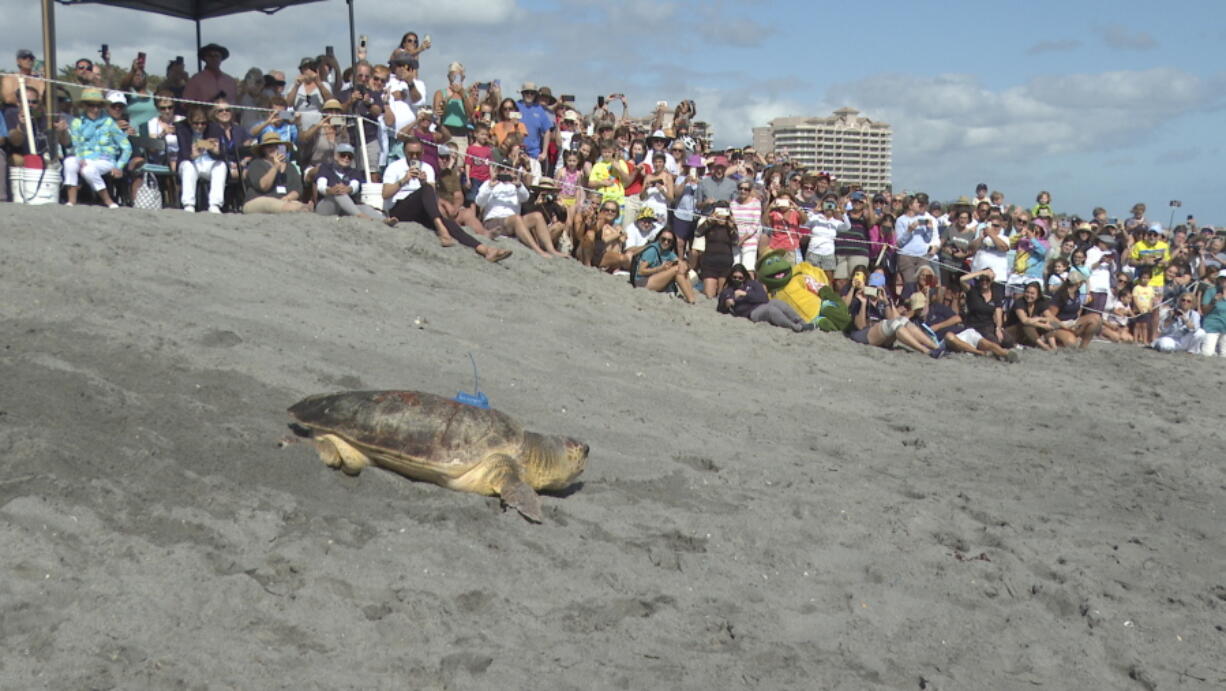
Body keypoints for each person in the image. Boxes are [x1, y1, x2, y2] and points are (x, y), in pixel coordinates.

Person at [382, 138, 511, 262]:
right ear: (405, 152)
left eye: (417, 154)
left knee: (451, 224)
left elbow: (431, 195)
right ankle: (441, 229)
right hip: (400, 208)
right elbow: (385, 194)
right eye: (411, 154)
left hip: (420, 209)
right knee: (437, 212)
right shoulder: (395, 167)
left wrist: (423, 182)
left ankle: (484, 250)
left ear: (422, 153)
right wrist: (404, 180)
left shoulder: (427, 168)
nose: (414, 157)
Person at [62, 89, 131, 208]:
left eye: (98, 106)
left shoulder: (109, 123)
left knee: (88, 170)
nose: (95, 109)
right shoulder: (77, 122)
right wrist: (81, 157)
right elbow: (76, 143)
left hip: (105, 159)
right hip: (84, 156)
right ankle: (71, 201)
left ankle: (108, 201)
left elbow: (127, 147)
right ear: (84, 106)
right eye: (91, 105)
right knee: (69, 162)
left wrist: (119, 166)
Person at [474, 167, 563, 258]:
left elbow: (525, 198)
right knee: (516, 218)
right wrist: (490, 186)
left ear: (512, 171)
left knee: (537, 216)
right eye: (501, 169)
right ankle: (538, 250)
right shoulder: (488, 184)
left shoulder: (516, 186)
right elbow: (479, 202)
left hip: (513, 221)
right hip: (493, 220)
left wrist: (519, 185)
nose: (505, 171)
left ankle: (551, 249)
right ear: (497, 171)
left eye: (508, 169)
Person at [717, 264, 813, 332]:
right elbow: (720, 307)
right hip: (751, 313)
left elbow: (763, 298)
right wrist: (726, 305)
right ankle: (795, 327)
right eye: (734, 277)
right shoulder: (728, 290)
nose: (737, 280)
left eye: (740, 278)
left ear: (745, 277)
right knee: (771, 310)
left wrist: (745, 295)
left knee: (778, 303)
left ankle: (802, 322)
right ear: (731, 277)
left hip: (762, 303)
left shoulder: (753, 284)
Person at [951, 269, 1017, 360]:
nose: (984, 282)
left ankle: (1002, 351)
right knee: (993, 342)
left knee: (1008, 340)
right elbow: (962, 279)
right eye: (982, 280)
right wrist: (981, 272)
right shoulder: (972, 291)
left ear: (991, 281)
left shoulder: (995, 294)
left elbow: (998, 313)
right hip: (976, 325)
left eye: (987, 280)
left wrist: (998, 328)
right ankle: (1003, 354)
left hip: (990, 324)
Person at [241, 131, 309, 214]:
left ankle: (299, 208)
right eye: (269, 146)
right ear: (263, 149)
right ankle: (296, 208)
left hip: (283, 201)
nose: (273, 148)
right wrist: (276, 166)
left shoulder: (290, 166)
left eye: (277, 146)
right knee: (269, 202)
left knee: (295, 204)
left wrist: (287, 198)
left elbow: (297, 189)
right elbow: (263, 186)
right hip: (258, 200)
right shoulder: (256, 164)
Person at [175, 106, 226, 213]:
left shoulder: (215, 128)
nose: (200, 126)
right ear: (189, 121)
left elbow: (222, 154)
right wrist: (193, 155)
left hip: (208, 162)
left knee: (221, 165)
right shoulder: (182, 128)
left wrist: (216, 152)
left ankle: (215, 204)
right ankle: (188, 204)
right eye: (196, 123)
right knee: (188, 166)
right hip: (190, 163)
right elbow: (183, 153)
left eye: (203, 123)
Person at [313, 143, 380, 219]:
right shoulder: (325, 168)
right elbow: (321, 186)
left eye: (350, 156)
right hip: (326, 206)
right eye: (343, 155)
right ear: (336, 156)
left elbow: (355, 185)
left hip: (346, 209)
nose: (346, 158)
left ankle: (384, 219)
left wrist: (348, 189)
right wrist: (330, 190)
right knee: (339, 192)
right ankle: (359, 215)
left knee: (365, 208)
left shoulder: (354, 172)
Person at [632, 230, 697, 303]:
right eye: (663, 239)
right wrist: (660, 269)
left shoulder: (667, 252)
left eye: (669, 241)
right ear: (659, 238)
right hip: (642, 282)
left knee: (682, 269)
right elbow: (641, 271)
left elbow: (680, 262)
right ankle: (691, 299)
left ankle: (691, 297)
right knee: (676, 269)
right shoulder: (652, 250)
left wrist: (684, 266)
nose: (666, 242)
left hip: (653, 279)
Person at [695, 203, 739, 298]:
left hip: (725, 265)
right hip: (709, 264)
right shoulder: (710, 224)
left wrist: (732, 226)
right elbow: (697, 233)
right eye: (720, 213)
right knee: (709, 295)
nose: (722, 216)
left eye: (725, 213)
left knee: (721, 294)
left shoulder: (730, 226)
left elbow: (736, 242)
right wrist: (709, 221)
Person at [432, 62, 475, 156]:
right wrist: (449, 96)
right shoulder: (440, 93)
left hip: (461, 135)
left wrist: (462, 93)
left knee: (460, 163)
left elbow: (470, 113)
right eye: (453, 76)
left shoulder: (467, 96)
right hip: (445, 134)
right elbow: (437, 113)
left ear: (463, 78)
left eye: (458, 76)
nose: (455, 78)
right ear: (448, 77)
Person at [1008, 282, 1061, 350]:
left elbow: (1050, 318)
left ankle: (1054, 346)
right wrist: (1042, 324)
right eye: (1027, 292)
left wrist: (1039, 319)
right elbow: (1024, 320)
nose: (1029, 295)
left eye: (1032, 293)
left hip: (1028, 333)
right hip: (1012, 332)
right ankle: (1044, 346)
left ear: (1038, 295)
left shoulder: (1041, 302)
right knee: (1028, 325)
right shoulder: (1019, 302)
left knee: (1047, 323)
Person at [287, 58, 331, 131]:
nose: (309, 71)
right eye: (306, 69)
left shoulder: (325, 85)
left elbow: (330, 101)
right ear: (301, 71)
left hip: (319, 125)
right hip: (299, 125)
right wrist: (296, 86)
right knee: (281, 114)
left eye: (312, 68)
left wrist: (318, 83)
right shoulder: (294, 86)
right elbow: (288, 105)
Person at [515, 82, 553, 162]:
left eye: (532, 93)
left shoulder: (539, 110)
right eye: (526, 92)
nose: (529, 95)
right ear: (522, 94)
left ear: (535, 95)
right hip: (516, 152)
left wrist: (544, 152)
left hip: (533, 155)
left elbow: (547, 131)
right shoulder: (516, 106)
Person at [1199, 271, 1226, 356]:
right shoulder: (1211, 291)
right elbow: (1204, 311)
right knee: (1207, 353)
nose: (1224, 281)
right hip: (1212, 327)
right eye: (1222, 278)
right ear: (1218, 280)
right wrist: (1213, 301)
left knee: (1224, 355)